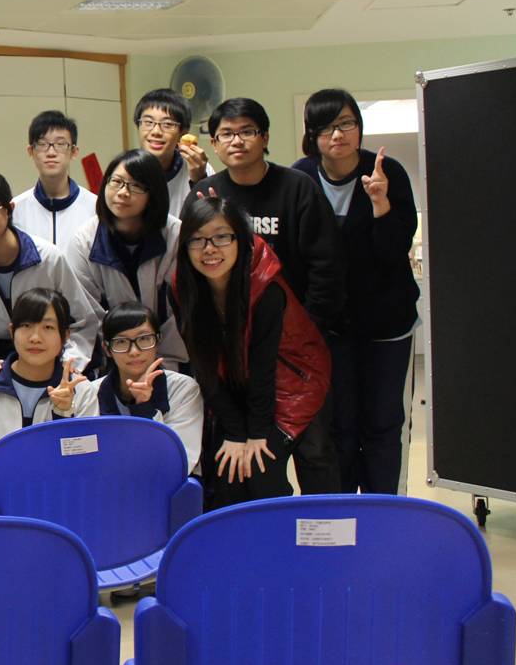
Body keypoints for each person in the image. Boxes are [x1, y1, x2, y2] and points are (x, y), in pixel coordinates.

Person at [192, 98, 343, 494]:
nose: (237, 140)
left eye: (247, 131)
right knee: (252, 455)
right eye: (226, 133)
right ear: (214, 143)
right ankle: (267, 524)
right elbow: (193, 272)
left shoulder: (297, 188)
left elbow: (325, 266)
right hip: (234, 350)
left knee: (315, 449)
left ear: (265, 137)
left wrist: (307, 331)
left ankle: (325, 528)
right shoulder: (206, 194)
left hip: (296, 349)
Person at [294, 89, 419, 494]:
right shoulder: (301, 178)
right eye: (327, 127)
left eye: (346, 123)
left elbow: (394, 251)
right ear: (312, 134)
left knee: (382, 424)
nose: (338, 135)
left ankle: (384, 509)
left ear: (359, 128)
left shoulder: (387, 172)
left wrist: (380, 204)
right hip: (330, 328)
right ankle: (347, 510)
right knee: (340, 426)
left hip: (387, 325)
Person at [173, 194, 331, 508]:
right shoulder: (183, 288)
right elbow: (204, 365)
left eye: (221, 237)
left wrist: (256, 434)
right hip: (234, 385)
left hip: (291, 383)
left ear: (240, 240)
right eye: (198, 240)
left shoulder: (265, 287)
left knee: (260, 468)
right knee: (228, 474)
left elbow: (264, 367)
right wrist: (234, 431)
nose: (209, 249)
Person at [0, 169, 97, 372]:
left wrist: (68, 365)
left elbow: (83, 321)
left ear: (9, 209)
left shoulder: (48, 258)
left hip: (54, 363)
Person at [0, 288, 96, 463]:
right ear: (12, 330)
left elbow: (87, 459)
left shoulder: (81, 390)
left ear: (65, 335)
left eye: (48, 327)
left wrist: (64, 413)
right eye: (26, 326)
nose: (35, 338)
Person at [64, 148, 187, 366]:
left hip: (170, 360)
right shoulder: (84, 241)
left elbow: (178, 312)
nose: (122, 192)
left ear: (154, 193)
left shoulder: (176, 236)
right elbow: (87, 316)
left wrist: (163, 369)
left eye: (136, 185)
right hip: (110, 360)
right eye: (116, 182)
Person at [77, 303, 202, 472]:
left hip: (166, 485)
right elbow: (84, 459)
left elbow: (179, 463)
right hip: (107, 483)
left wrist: (144, 408)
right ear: (107, 349)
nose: (134, 351)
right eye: (121, 342)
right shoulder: (90, 392)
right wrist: (63, 411)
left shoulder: (183, 388)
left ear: (157, 340)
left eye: (144, 339)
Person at [10, 110, 97, 245]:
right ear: (31, 151)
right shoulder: (16, 208)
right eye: (42, 144)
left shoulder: (95, 207)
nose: (51, 152)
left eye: (60, 144)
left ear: (74, 152)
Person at [132, 88, 210, 216]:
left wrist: (199, 180)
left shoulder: (197, 168)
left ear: (183, 132)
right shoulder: (124, 170)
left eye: (167, 124)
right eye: (148, 122)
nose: (156, 131)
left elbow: (211, 218)